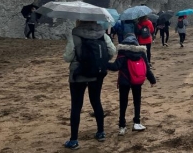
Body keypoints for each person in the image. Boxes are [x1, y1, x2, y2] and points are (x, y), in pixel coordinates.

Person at [63, 20, 116, 150]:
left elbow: (68, 57)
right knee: (96, 101)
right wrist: (98, 60)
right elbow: (112, 51)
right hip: (96, 73)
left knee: (76, 105)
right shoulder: (102, 34)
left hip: (79, 73)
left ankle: (74, 140)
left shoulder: (74, 35)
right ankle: (101, 132)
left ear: (79, 21)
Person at [107, 35, 156, 136]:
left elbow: (116, 67)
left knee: (123, 103)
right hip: (137, 80)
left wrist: (104, 63)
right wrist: (152, 80)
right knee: (137, 101)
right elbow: (146, 68)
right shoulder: (141, 52)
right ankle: (137, 123)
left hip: (124, 81)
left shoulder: (122, 52)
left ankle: (122, 126)